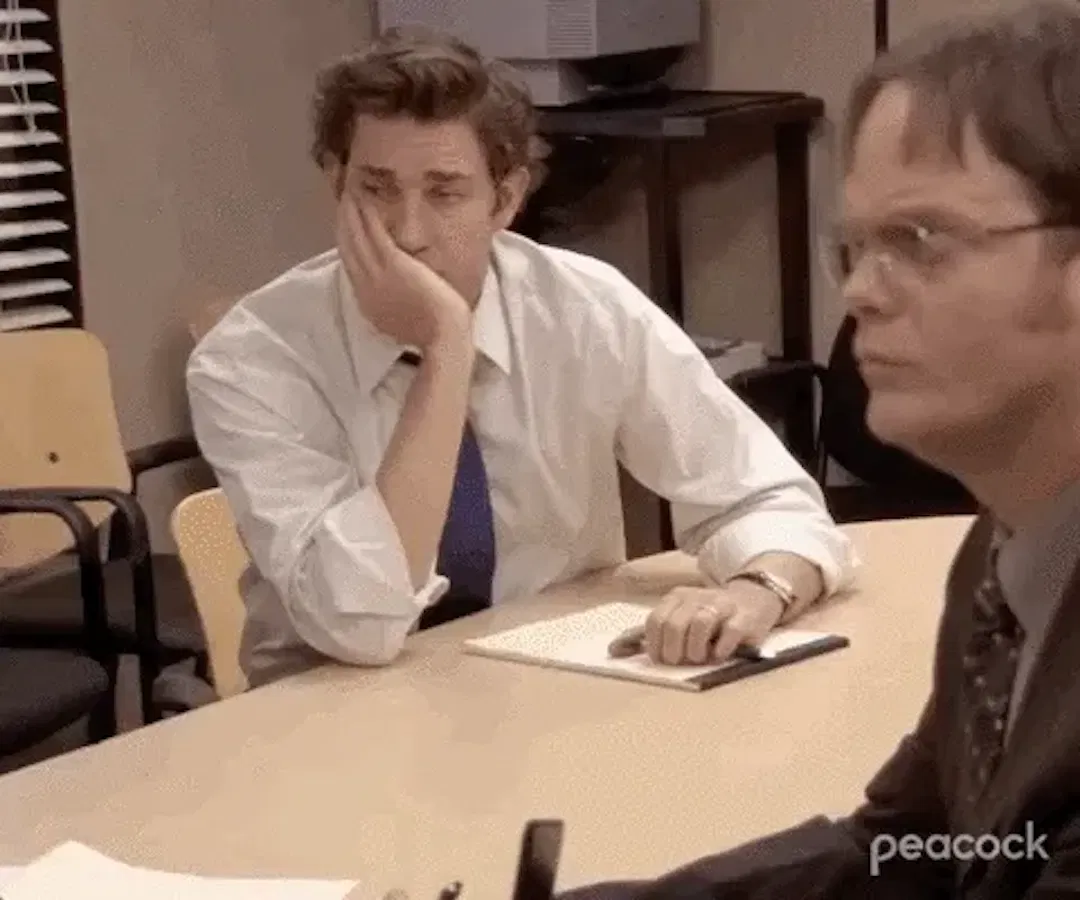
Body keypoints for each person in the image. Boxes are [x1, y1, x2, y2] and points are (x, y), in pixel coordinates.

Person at [559, 3, 1080, 899]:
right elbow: (908, 850)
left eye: (919, 240)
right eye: (857, 248)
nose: (861, 295)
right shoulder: (1007, 554)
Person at [186, 27, 854, 689]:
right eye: (376, 189)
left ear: (505, 200)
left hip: (545, 681)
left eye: (444, 192)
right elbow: (357, 625)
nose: (407, 233)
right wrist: (447, 348)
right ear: (337, 183)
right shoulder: (250, 360)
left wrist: (758, 588)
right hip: (327, 705)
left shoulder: (585, 308)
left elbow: (766, 496)